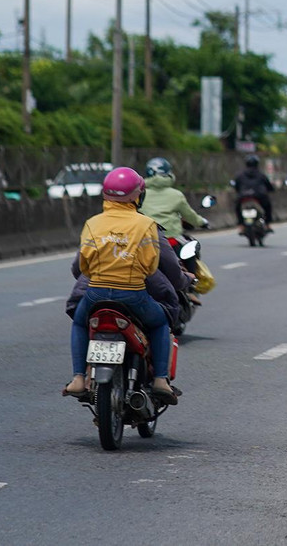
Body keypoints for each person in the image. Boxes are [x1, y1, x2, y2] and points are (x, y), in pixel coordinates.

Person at [62, 167, 178, 405]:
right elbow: (150, 265)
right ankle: (160, 380)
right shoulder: (146, 224)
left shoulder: (93, 223)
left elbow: (83, 264)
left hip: (95, 294)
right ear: (137, 196)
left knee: (80, 323)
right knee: (160, 323)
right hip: (134, 294)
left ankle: (78, 378)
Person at [142, 157, 208, 240]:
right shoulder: (176, 195)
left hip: (147, 237)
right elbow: (189, 215)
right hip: (171, 237)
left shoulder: (139, 194)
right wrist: (201, 222)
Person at [232, 155, 275, 230]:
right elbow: (269, 186)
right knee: (268, 206)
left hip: (244, 196)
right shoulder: (261, 175)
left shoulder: (240, 175)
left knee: (237, 207)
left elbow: (236, 187)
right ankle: (267, 224)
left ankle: (241, 225)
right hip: (259, 196)